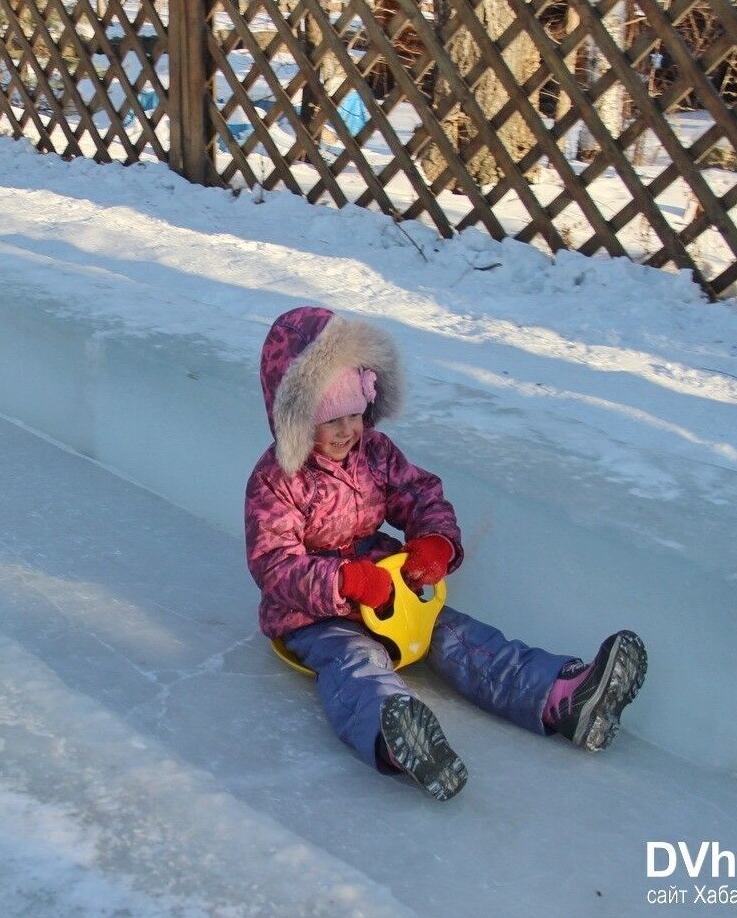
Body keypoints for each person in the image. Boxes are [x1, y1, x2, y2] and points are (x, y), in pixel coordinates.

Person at [245, 306, 647, 801]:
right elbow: (274, 563)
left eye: (354, 413)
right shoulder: (276, 481)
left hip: (388, 588)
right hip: (314, 613)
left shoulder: (376, 454)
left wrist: (434, 542)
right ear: (299, 418)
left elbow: (420, 496)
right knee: (355, 662)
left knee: (462, 637)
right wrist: (342, 583)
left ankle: (562, 698)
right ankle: (397, 738)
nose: (347, 430)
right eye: (332, 419)